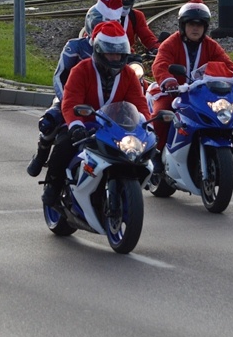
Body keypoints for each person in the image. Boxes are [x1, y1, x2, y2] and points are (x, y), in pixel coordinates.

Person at [39, 20, 151, 208]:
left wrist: (147, 125)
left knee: (137, 152)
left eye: (119, 52)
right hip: (85, 125)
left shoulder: (129, 75)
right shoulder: (81, 70)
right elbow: (70, 101)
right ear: (99, 51)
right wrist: (76, 126)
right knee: (64, 143)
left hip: (116, 128)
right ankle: (52, 186)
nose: (115, 57)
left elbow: (139, 103)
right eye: (110, 51)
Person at [26, 0, 124, 177]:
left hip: (106, 104)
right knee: (49, 123)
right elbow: (60, 77)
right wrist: (67, 101)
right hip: (73, 97)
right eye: (100, 24)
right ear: (91, 23)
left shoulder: (118, 51)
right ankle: (42, 154)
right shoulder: (75, 47)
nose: (103, 29)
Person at [150, 0, 233, 150]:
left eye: (199, 25)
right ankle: (158, 152)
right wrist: (169, 81)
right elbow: (160, 64)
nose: (195, 29)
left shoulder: (211, 45)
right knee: (162, 114)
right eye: (191, 24)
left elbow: (228, 65)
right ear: (183, 25)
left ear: (205, 27)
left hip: (203, 94)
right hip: (173, 93)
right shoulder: (171, 43)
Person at [84, 0, 160, 53]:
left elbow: (148, 37)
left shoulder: (136, 16)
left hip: (126, 58)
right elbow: (89, 37)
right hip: (102, 55)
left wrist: (158, 48)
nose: (124, 2)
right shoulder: (100, 14)